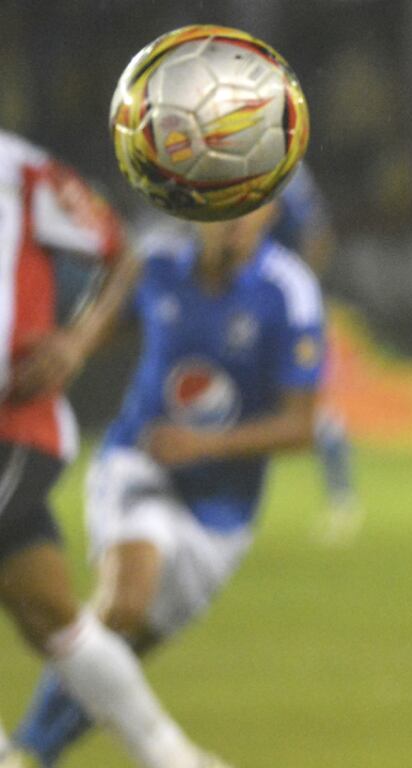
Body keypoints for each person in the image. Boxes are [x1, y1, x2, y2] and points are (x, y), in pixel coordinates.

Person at [13, 198, 325, 766]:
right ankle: (30, 751)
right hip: (140, 463)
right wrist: (70, 348)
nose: (236, 218)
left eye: (251, 206)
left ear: (273, 211)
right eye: (226, 204)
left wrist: (206, 445)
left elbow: (301, 427)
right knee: (122, 607)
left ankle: (37, 749)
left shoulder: (289, 292)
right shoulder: (156, 261)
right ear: (197, 205)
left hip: (224, 509)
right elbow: (98, 324)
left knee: (126, 646)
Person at [0, 129, 229, 768]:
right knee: (53, 616)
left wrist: (74, 343)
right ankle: (171, 755)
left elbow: (119, 255)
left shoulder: (21, 172)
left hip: (9, 423)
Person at [270, 164, 363, 543]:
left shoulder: (283, 170)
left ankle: (343, 501)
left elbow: (317, 233)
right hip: (243, 299)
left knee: (306, 406)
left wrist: (302, 285)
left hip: (279, 307)